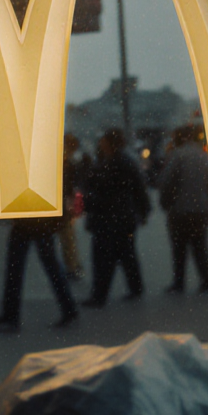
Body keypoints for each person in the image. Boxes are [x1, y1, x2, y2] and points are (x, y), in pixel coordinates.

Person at [0, 149, 81, 332]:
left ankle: (11, 315)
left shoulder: (27, 158)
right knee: (48, 265)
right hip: (39, 219)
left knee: (17, 267)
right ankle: (68, 308)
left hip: (28, 218)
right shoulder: (48, 157)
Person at [80, 129, 150, 308]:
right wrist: (143, 212)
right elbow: (138, 189)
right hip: (122, 217)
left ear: (110, 143)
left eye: (103, 142)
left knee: (104, 258)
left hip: (109, 218)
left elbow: (102, 191)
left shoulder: (112, 163)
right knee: (126, 254)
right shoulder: (124, 161)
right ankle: (135, 288)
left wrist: (90, 201)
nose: (100, 145)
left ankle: (99, 296)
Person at [157, 125, 208, 293]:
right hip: (202, 209)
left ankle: (179, 282)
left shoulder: (176, 156)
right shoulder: (203, 155)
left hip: (180, 208)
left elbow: (166, 181)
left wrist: (165, 202)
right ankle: (206, 280)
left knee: (179, 247)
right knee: (200, 246)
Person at [57, 134, 86, 280]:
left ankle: (72, 266)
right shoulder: (69, 163)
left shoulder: (64, 163)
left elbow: (69, 186)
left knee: (67, 237)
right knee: (68, 237)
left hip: (63, 204)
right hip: (66, 204)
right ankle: (73, 265)